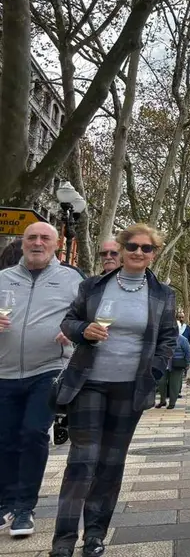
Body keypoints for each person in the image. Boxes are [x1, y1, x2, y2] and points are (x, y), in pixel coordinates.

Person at [50, 223, 178, 557]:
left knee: (111, 463)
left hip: (130, 388)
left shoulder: (163, 294)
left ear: (154, 254)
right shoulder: (93, 286)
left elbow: (167, 339)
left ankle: (95, 535)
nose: (138, 252)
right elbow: (68, 322)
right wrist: (83, 330)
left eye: (146, 248)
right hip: (88, 383)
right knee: (82, 460)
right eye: (132, 246)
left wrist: (154, 371)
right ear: (121, 250)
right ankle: (63, 539)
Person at [0, 223, 80, 537]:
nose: (37, 242)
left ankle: (24, 507)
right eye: (31, 237)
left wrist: (72, 331)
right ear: (22, 244)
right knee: (5, 437)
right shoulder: (3, 278)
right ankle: (5, 502)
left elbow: (89, 317)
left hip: (48, 369)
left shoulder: (71, 279)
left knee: (33, 433)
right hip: (4, 371)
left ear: (56, 244)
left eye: (44, 238)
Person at [156, 329, 190, 409]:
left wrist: (187, 363)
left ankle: (172, 403)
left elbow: (187, 352)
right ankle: (162, 401)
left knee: (174, 384)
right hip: (163, 363)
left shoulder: (182, 339)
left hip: (177, 364)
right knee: (161, 382)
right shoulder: (162, 338)